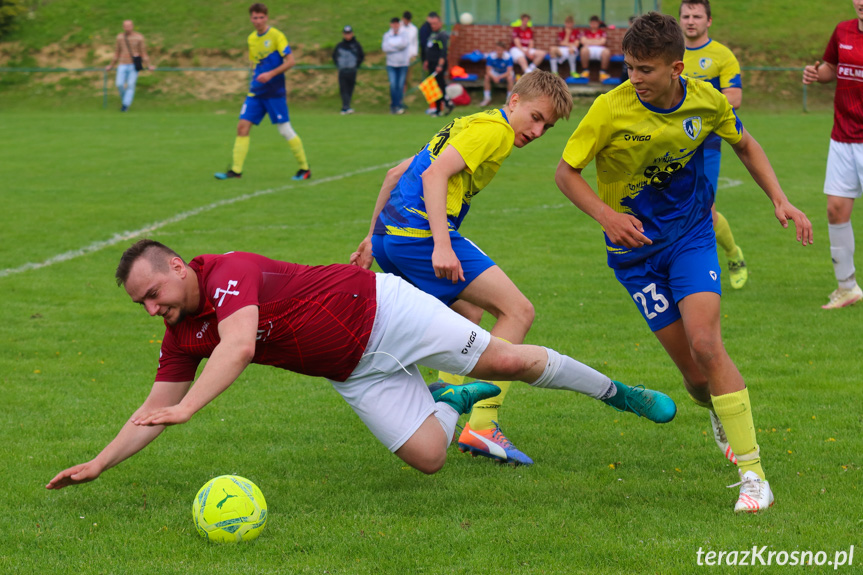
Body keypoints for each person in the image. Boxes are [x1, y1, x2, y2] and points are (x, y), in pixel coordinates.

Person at [46, 239, 676, 489]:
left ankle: (616, 391)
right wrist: (100, 462)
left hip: (386, 312)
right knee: (429, 458)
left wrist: (189, 407)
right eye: (141, 304)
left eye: (152, 295)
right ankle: (452, 399)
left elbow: (237, 346)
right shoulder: (181, 335)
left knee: (508, 359)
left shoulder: (228, 271)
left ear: (178, 267)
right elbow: (151, 409)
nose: (151, 308)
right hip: (353, 371)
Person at [554, 12, 813, 512]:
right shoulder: (610, 110)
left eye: (645, 69)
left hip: (691, 236)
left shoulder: (706, 99)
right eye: (629, 67)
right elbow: (567, 174)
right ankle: (717, 407)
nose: (635, 78)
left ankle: (754, 473)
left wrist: (779, 198)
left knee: (706, 344)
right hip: (633, 257)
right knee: (696, 378)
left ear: (676, 67)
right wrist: (607, 216)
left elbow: (745, 143)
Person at [350, 71, 675, 467]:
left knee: (467, 313)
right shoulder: (496, 130)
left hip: (392, 236)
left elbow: (397, 173)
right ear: (514, 100)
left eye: (547, 126)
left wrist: (372, 237)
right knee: (518, 311)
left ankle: (442, 408)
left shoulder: (467, 122)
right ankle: (483, 425)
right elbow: (435, 174)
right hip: (419, 235)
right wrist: (439, 243)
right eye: (536, 117)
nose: (538, 131)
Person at [680, 0, 748, 289]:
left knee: (705, 209)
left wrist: (694, 103)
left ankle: (732, 254)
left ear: (709, 21)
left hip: (707, 142)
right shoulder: (670, 53)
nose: (690, 21)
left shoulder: (721, 55)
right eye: (685, 16)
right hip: (670, 142)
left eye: (697, 16)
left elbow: (734, 98)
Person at [802, 0, 863, 309]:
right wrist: (817, 74)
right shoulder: (843, 31)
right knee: (835, 210)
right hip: (842, 138)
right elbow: (832, 69)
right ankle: (847, 287)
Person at [214, 3, 310, 182]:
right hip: (256, 92)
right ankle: (236, 171)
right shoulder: (251, 39)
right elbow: (254, 63)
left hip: (275, 92)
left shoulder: (276, 35)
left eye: (261, 17)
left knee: (285, 130)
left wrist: (271, 74)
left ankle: (305, 169)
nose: (257, 21)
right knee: (242, 127)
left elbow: (291, 61)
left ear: (266, 17)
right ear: (250, 19)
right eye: (254, 18)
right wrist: (255, 78)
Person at [105, 20, 154, 112]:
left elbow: (143, 52)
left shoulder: (139, 37)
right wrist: (111, 65)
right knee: (119, 84)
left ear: (132, 26)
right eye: (125, 26)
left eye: (129, 26)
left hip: (133, 65)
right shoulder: (120, 37)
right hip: (122, 64)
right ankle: (125, 101)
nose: (127, 28)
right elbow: (117, 52)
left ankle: (125, 105)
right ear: (123, 27)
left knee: (131, 85)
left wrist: (149, 65)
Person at [423, 13, 454, 117]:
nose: (433, 26)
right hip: (431, 64)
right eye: (431, 24)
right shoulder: (432, 34)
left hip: (438, 65)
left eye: (435, 23)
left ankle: (444, 105)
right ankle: (441, 106)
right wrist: (427, 61)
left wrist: (440, 65)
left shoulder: (442, 35)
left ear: (440, 23)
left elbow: (443, 52)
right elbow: (430, 49)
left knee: (439, 86)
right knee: (434, 87)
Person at [333, 25, 364, 115]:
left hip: (352, 70)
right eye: (346, 33)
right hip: (342, 70)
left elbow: (361, 56)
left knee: (350, 88)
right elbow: (335, 56)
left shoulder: (356, 45)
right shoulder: (340, 46)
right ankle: (345, 107)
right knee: (343, 89)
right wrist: (339, 65)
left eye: (349, 33)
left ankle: (347, 106)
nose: (347, 35)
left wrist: (356, 65)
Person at [382, 16, 410, 114]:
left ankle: (398, 104)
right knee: (393, 85)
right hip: (391, 63)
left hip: (402, 63)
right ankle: (394, 105)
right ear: (391, 24)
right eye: (393, 23)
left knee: (400, 85)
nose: (395, 25)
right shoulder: (387, 35)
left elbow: (404, 45)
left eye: (397, 23)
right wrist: (396, 47)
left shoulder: (404, 34)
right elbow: (385, 48)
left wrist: (392, 46)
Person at [479, 41, 514, 107]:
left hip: (504, 74)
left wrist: (500, 77)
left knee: (510, 78)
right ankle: (487, 98)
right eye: (497, 50)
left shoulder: (508, 57)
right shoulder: (491, 56)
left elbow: (509, 72)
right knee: (486, 77)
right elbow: (488, 71)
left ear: (504, 50)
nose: (498, 52)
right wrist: (494, 77)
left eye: (500, 50)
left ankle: (509, 100)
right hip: (495, 74)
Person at [579, 16, 611, 82]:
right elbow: (583, 41)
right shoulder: (586, 32)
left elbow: (602, 41)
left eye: (595, 23)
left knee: (607, 52)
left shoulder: (602, 32)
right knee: (583, 50)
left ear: (598, 24)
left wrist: (589, 41)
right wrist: (596, 41)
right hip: (588, 49)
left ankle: (603, 73)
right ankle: (585, 71)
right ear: (590, 23)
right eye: (592, 23)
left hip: (600, 49)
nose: (593, 25)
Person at [402, 11, 419, 97]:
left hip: (410, 55)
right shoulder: (399, 27)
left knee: (407, 73)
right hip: (400, 56)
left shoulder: (414, 29)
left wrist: (414, 53)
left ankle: (405, 89)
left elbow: (415, 42)